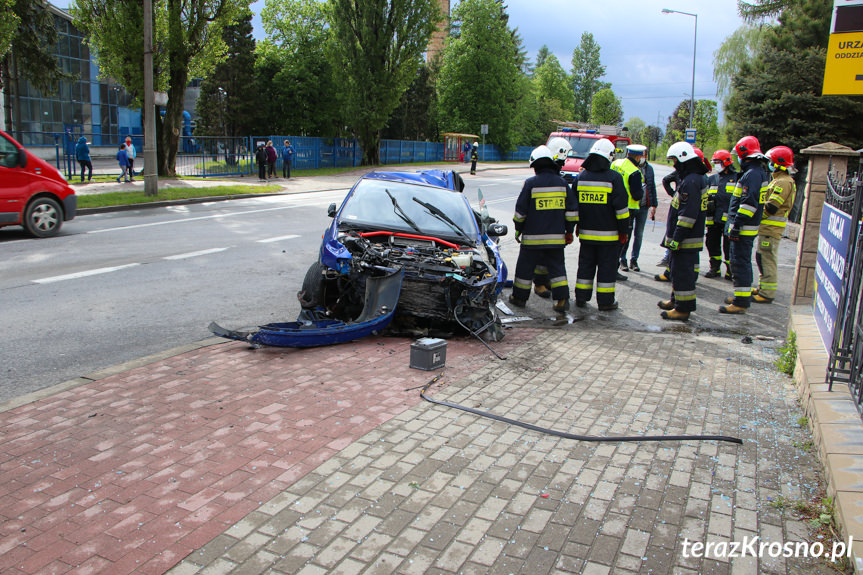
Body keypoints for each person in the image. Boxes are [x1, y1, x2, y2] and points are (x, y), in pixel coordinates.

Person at [510, 145, 576, 313]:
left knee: (525, 268)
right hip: (556, 239)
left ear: (536, 166)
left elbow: (520, 212)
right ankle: (561, 300)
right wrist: (569, 231)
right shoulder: (562, 184)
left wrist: (519, 228)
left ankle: (519, 298)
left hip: (532, 239)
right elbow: (572, 211)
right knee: (557, 269)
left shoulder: (531, 184)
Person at [572, 139, 630, 311]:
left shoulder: (580, 178)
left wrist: (575, 226)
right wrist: (623, 231)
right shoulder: (614, 178)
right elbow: (621, 210)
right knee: (607, 269)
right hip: (609, 237)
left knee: (585, 267)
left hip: (586, 235)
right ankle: (605, 302)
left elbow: (574, 208)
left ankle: (581, 298)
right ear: (609, 156)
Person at [657, 142, 708, 321]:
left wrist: (676, 239)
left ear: (684, 159)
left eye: (675, 161)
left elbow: (688, 215)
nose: (674, 165)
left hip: (685, 239)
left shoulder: (691, 182)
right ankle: (675, 300)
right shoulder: (694, 178)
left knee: (682, 274)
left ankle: (682, 309)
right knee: (677, 271)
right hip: (687, 238)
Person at [719, 135, 770, 314]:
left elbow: (749, 204)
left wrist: (736, 225)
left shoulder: (752, 175)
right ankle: (741, 296)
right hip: (747, 227)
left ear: (744, 154)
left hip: (743, 228)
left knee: (740, 263)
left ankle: (740, 303)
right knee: (741, 262)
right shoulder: (756, 172)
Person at [531, 137, 574, 299]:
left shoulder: (557, 171)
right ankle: (540, 283)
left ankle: (546, 280)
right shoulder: (549, 171)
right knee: (542, 256)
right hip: (544, 223)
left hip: (555, 223)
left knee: (552, 256)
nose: (566, 159)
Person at [753, 145, 797, 303]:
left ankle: (767, 294)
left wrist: (755, 215)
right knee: (762, 258)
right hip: (767, 229)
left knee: (767, 259)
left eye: (771, 161)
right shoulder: (778, 180)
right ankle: (763, 287)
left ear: (779, 163)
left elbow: (771, 207)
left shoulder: (783, 182)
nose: (769, 164)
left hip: (771, 229)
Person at [612, 144, 646, 277]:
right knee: (623, 239)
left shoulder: (616, 163)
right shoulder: (634, 172)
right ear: (638, 157)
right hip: (628, 209)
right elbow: (637, 195)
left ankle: (612, 268)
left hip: (613, 206)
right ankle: (614, 270)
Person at [704, 150, 738, 279]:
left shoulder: (737, 178)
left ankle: (730, 271)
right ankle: (714, 268)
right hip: (713, 218)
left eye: (718, 162)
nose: (715, 165)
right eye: (714, 162)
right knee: (712, 243)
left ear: (726, 163)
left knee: (728, 246)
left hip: (728, 219)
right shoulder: (712, 179)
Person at [627, 150, 657, 272]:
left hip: (643, 206)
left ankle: (634, 260)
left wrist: (654, 204)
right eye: (641, 155)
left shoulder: (649, 169)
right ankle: (622, 259)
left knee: (638, 234)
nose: (643, 157)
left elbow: (652, 186)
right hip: (631, 206)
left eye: (645, 155)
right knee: (627, 234)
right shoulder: (629, 167)